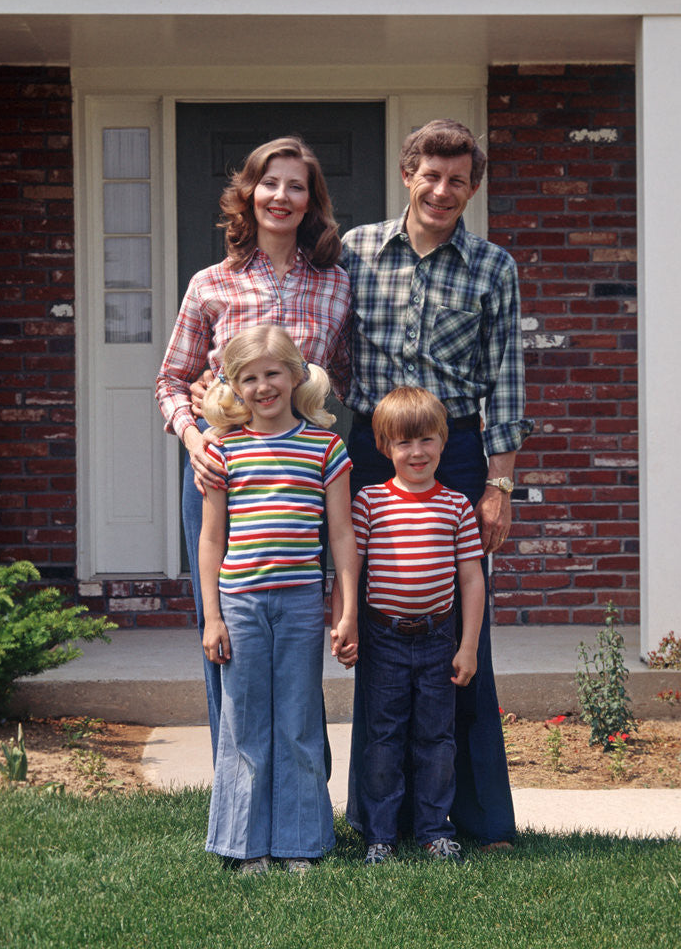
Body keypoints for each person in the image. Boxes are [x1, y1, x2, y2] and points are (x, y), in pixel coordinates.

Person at [341, 119, 532, 849]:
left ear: (472, 188)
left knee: (459, 634)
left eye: (458, 180)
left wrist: (500, 485)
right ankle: (378, 818)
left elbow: (506, 378)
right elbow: (311, 339)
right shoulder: (356, 251)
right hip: (371, 451)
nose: (442, 191)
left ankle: (478, 819)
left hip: (453, 454)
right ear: (407, 175)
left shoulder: (492, 268)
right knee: (379, 626)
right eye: (431, 175)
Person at [155, 136, 352, 760]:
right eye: (270, 184)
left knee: (297, 631)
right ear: (249, 194)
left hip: (298, 479)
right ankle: (236, 785)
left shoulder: (336, 286)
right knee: (225, 635)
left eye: (296, 186)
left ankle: (302, 785)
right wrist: (194, 438)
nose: (281, 196)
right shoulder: (210, 284)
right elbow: (170, 380)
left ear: (311, 201)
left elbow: (345, 377)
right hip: (221, 475)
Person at [198, 323, 359, 874]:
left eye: (272, 374)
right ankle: (247, 846)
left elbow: (341, 535)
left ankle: (300, 842)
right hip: (240, 603)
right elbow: (211, 540)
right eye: (249, 378)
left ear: (295, 376)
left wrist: (346, 609)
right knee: (244, 722)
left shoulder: (325, 448)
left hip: (300, 602)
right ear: (233, 386)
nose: (262, 387)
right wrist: (212, 617)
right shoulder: (223, 450)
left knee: (298, 721)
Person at [353, 387, 485, 866]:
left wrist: (468, 646)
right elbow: (350, 569)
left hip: (438, 639)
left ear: (444, 441)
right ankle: (380, 836)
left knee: (436, 740)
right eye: (403, 442)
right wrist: (344, 624)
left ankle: (434, 831)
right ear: (383, 446)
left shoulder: (456, 506)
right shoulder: (369, 502)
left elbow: (472, 579)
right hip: (382, 638)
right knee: (383, 739)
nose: (416, 452)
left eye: (427, 439)